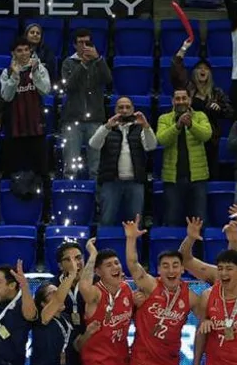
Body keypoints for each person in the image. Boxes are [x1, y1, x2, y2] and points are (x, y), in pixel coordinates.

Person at [122, 218, 200, 365]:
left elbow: (209, 317)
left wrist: (206, 321)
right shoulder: (150, 286)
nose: (171, 270)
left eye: (175, 265)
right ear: (158, 270)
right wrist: (131, 239)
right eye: (165, 266)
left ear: (182, 269)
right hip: (142, 363)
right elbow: (132, 264)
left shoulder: (191, 297)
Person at [88, 96, 156, 225]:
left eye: (127, 107)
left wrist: (146, 126)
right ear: (115, 110)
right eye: (121, 107)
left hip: (135, 182)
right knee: (107, 221)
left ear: (133, 110)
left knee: (136, 223)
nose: (124, 110)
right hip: (111, 182)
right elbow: (93, 144)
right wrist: (107, 127)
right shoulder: (107, 128)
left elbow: (151, 146)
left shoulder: (140, 128)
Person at [170, 39, 232, 175]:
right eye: (199, 68)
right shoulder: (188, 89)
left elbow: (229, 112)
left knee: (211, 174)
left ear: (210, 73)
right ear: (194, 72)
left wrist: (219, 108)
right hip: (190, 137)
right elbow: (176, 71)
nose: (203, 70)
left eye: (206, 69)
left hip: (211, 141)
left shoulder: (217, 93)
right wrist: (183, 48)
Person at [61, 28, 113, 178]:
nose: (84, 46)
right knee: (70, 166)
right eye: (80, 42)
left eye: (87, 42)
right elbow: (68, 86)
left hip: (95, 119)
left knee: (96, 167)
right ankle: (70, 191)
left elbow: (108, 79)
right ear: (74, 45)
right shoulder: (68, 63)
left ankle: (96, 193)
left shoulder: (98, 61)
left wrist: (98, 59)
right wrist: (83, 64)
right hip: (72, 119)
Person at [156, 87, 213, 226]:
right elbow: (161, 139)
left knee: (199, 219)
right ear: (172, 101)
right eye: (177, 98)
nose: (181, 101)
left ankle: (198, 241)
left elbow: (206, 135)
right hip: (173, 178)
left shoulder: (200, 116)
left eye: (184, 98)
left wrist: (191, 124)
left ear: (190, 100)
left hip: (198, 177)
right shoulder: (164, 118)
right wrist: (177, 126)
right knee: (172, 218)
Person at [78, 241, 134, 365]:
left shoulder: (126, 289)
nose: (115, 267)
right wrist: (93, 254)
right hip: (98, 363)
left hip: (122, 360)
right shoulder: (96, 293)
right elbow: (84, 286)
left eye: (116, 263)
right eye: (109, 265)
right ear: (98, 272)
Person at [0, 38, 51, 177]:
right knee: (14, 171)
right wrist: (15, 76)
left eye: (26, 50)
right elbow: (6, 97)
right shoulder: (6, 72)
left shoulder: (40, 69)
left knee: (41, 171)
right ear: (13, 53)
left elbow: (45, 91)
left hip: (37, 128)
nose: (24, 53)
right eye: (19, 50)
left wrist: (35, 73)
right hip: (15, 129)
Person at [28, 259, 83, 365]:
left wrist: (90, 332)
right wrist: (71, 275)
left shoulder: (66, 318)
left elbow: (76, 345)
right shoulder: (40, 318)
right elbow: (57, 300)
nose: (58, 294)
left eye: (58, 291)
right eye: (52, 293)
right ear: (43, 303)